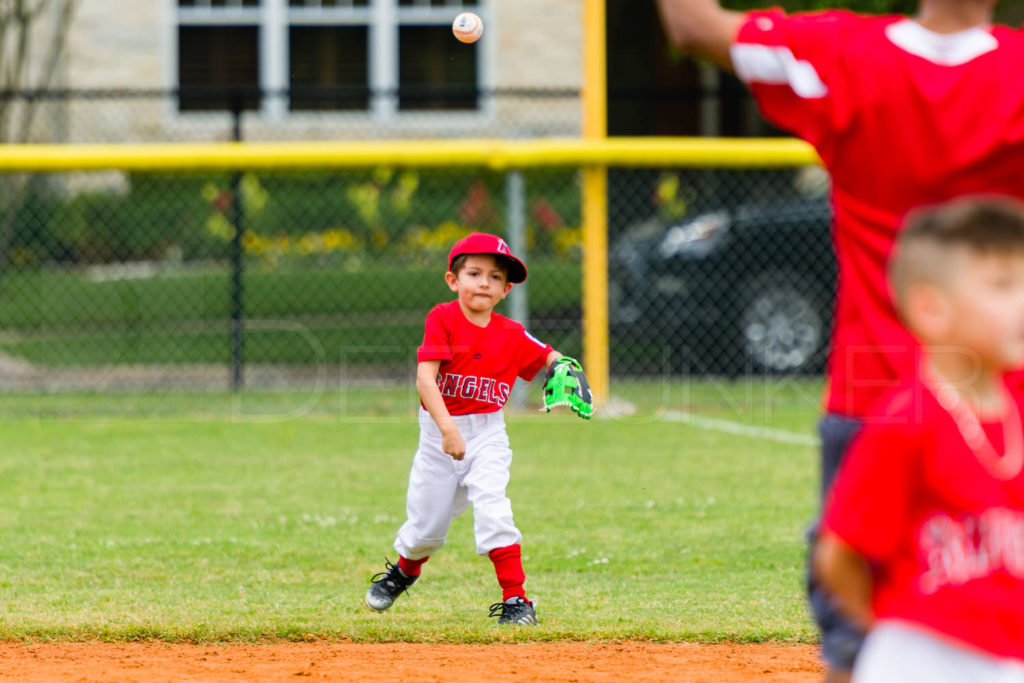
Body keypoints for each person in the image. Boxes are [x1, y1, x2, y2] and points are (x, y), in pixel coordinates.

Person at [654, 0, 1024, 677]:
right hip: (1003, 402)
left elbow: (694, 26)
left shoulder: (841, 55)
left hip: (876, 394)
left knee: (855, 641)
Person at [814, 196, 1024, 682]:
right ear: (931, 310)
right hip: (923, 659)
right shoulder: (907, 421)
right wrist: (896, 633)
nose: (1021, 302)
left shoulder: (1013, 414)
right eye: (1001, 286)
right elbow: (838, 555)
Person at [364, 232, 587, 625]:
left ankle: (517, 600)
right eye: (474, 272)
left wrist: (562, 365)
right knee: (425, 530)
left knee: (493, 508)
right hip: (438, 436)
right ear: (453, 280)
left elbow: (548, 354)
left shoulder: (511, 333)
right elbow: (424, 380)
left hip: (487, 435)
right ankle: (404, 571)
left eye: (496, 277)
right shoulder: (443, 318)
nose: (484, 282)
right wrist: (448, 430)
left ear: (506, 289)